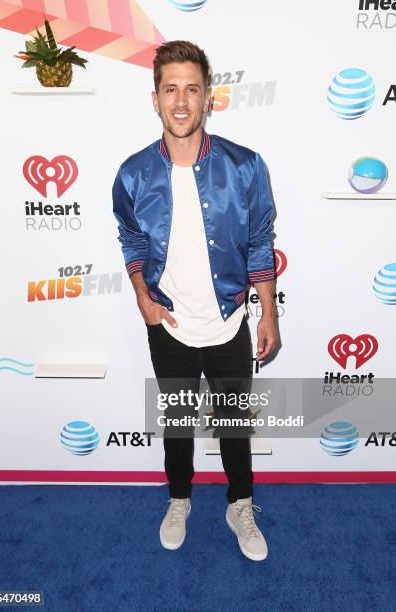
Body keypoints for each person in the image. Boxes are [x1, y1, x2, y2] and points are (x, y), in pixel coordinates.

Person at [112, 40, 279, 561]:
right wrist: (143, 297)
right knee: (178, 423)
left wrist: (268, 312)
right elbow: (132, 240)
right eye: (170, 90)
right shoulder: (133, 173)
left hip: (229, 322)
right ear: (155, 98)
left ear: (209, 96)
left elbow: (259, 241)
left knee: (234, 427)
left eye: (192, 89)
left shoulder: (246, 166)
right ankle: (179, 499)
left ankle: (240, 504)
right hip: (169, 324)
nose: (181, 101)